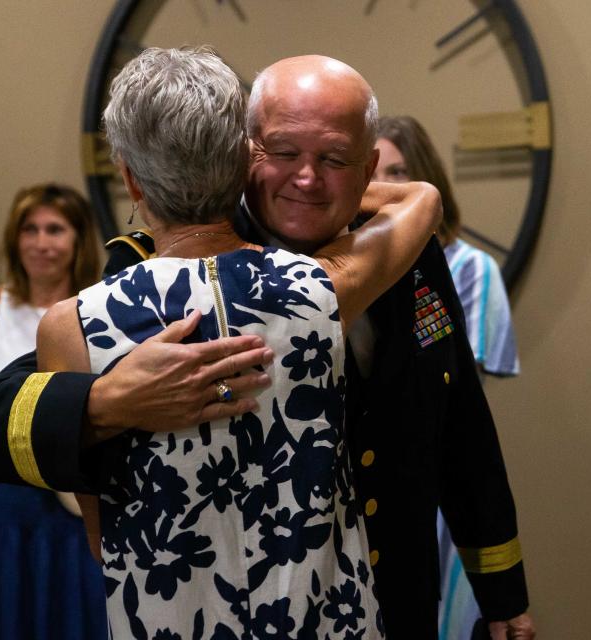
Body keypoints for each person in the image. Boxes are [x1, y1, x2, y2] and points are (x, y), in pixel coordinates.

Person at [0, 54, 533, 639]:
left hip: (393, 599)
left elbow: (462, 429)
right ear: (244, 153)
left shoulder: (409, 256)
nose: (306, 178)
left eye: (333, 159)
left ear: (370, 165)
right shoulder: (162, 272)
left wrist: (503, 594)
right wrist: (103, 401)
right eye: (284, 154)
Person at [37, 46, 440, 637]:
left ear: (128, 175)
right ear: (244, 162)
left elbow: (103, 537)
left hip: (169, 617)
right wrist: (332, 176)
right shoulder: (318, 290)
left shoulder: (69, 327)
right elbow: (421, 199)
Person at [373, 115, 530, 639]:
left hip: (435, 485)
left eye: (398, 172)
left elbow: (459, 402)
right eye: (373, 173)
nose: (385, 189)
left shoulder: (462, 269)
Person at [0, 183, 107, 639]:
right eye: (29, 229)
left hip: (75, 499)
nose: (41, 242)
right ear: (15, 239)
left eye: (55, 229)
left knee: (80, 616)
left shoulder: (96, 308)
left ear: (77, 240)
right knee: (9, 617)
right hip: (6, 497)